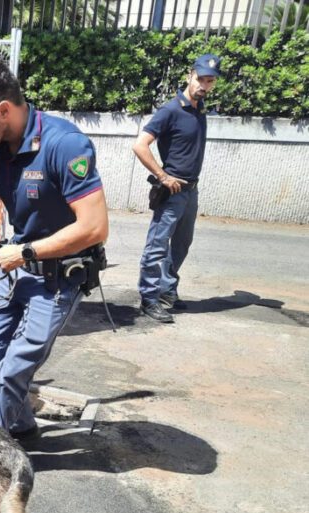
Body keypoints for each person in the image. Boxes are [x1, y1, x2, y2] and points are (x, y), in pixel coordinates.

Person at [0, 58, 109, 442]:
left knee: (14, 370)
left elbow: (94, 227)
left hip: (59, 276)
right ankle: (23, 423)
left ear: (3, 110)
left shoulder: (65, 145)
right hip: (18, 269)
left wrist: (26, 253)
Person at [133, 53, 222, 323]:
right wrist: (163, 176)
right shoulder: (170, 110)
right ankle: (149, 299)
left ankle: (166, 291)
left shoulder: (200, 110)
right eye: (200, 79)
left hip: (191, 191)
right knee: (157, 246)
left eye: (210, 81)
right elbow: (140, 145)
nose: (204, 86)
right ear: (189, 76)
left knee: (181, 244)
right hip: (172, 190)